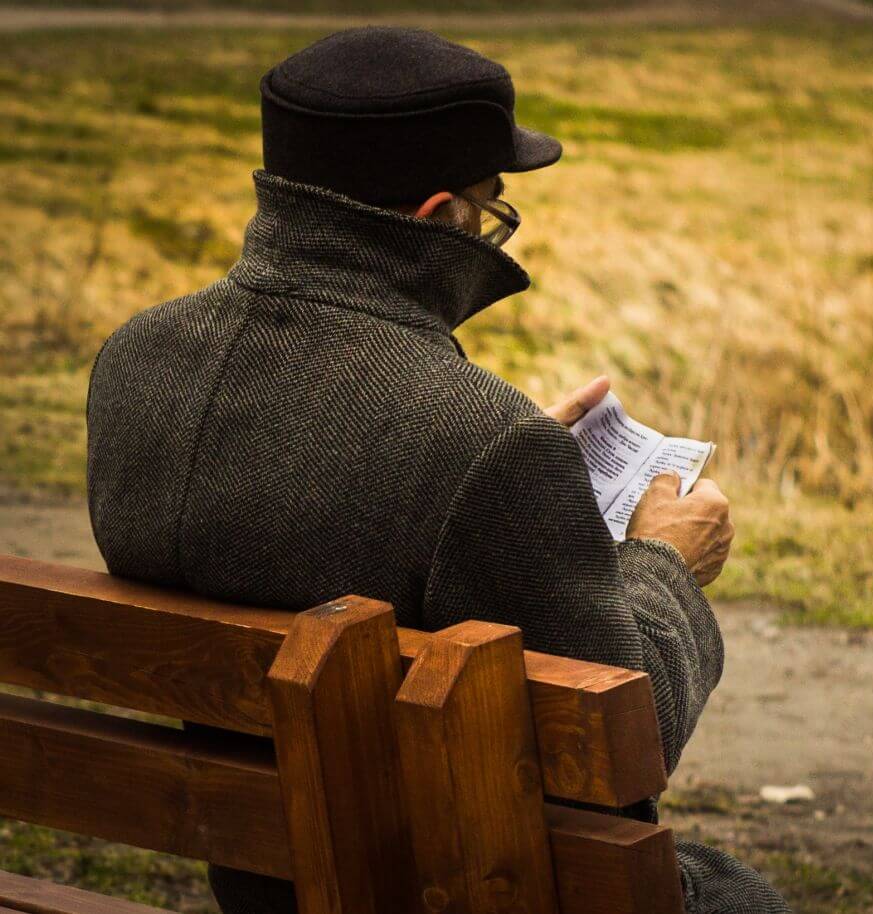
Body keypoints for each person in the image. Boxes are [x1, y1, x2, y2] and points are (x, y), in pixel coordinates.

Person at [85, 26, 788, 914]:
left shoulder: (134, 362)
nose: (495, 229)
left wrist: (506, 462)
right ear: (437, 218)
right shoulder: (478, 444)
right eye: (492, 208)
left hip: (260, 872)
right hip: (449, 884)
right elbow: (618, 744)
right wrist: (664, 563)